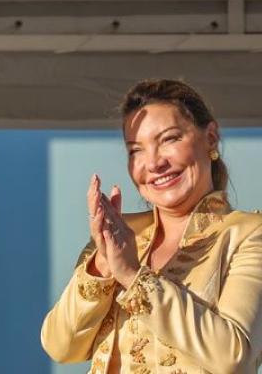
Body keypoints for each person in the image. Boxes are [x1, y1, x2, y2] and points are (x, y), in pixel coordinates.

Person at [40, 79, 262, 373]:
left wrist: (134, 276)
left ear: (210, 137)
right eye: (136, 150)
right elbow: (61, 346)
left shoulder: (248, 233)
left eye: (169, 139)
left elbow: (234, 356)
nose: (154, 163)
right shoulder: (120, 235)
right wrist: (103, 265)